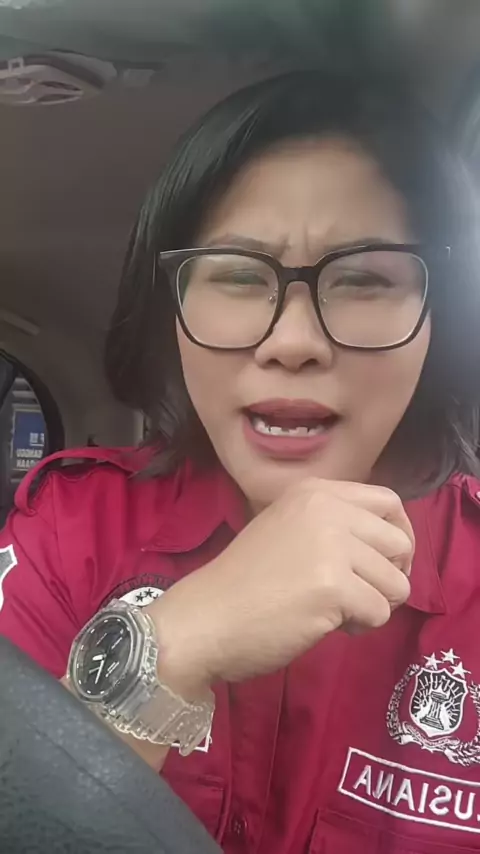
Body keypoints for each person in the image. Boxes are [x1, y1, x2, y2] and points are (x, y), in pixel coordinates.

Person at [1, 66, 480, 853]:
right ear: (171, 315)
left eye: (364, 279)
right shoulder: (71, 532)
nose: (292, 342)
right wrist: (167, 652)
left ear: (440, 322)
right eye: (236, 276)